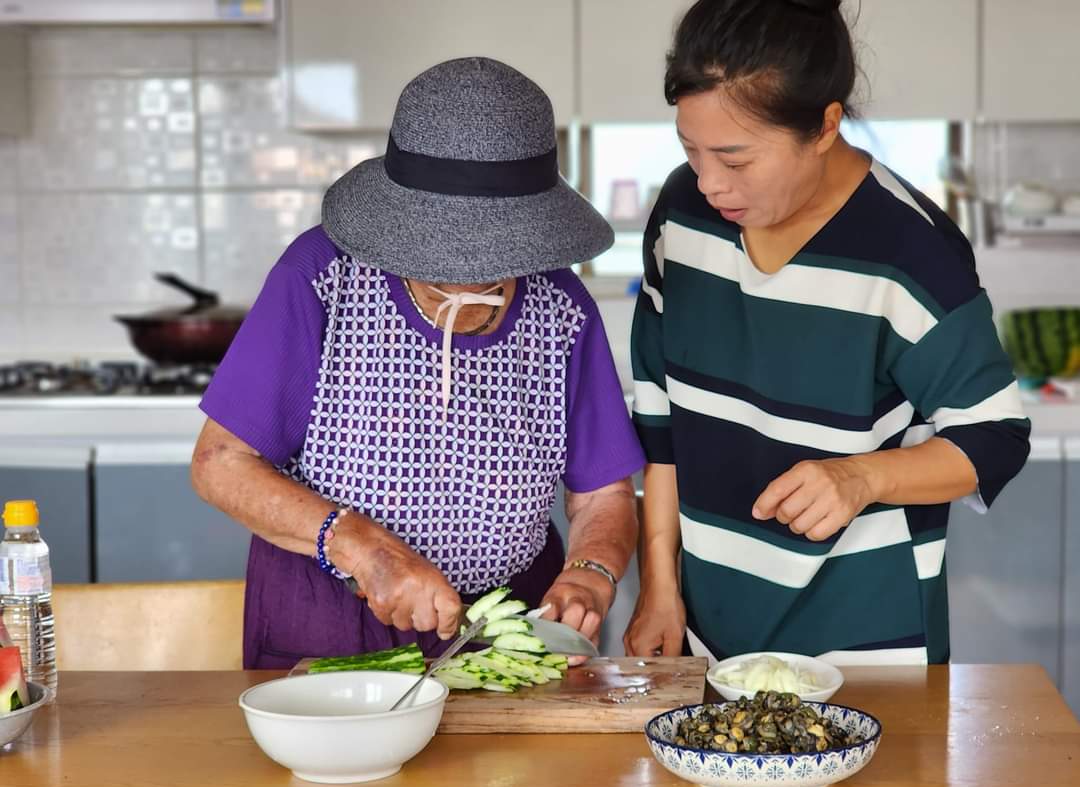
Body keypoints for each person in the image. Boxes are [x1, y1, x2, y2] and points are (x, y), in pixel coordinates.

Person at [190, 57, 645, 669]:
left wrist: (591, 572)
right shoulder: (321, 274)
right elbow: (221, 464)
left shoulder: (562, 306)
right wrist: (367, 551)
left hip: (505, 629)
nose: (456, 281)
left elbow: (602, 495)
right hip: (329, 623)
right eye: (430, 257)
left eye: (487, 261)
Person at [623, 0, 1030, 665]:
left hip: (868, 654)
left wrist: (862, 478)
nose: (709, 181)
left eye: (736, 158)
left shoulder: (911, 256)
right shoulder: (682, 215)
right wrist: (660, 585)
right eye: (690, 150)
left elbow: (994, 440)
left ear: (824, 125)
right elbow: (660, 414)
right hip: (704, 639)